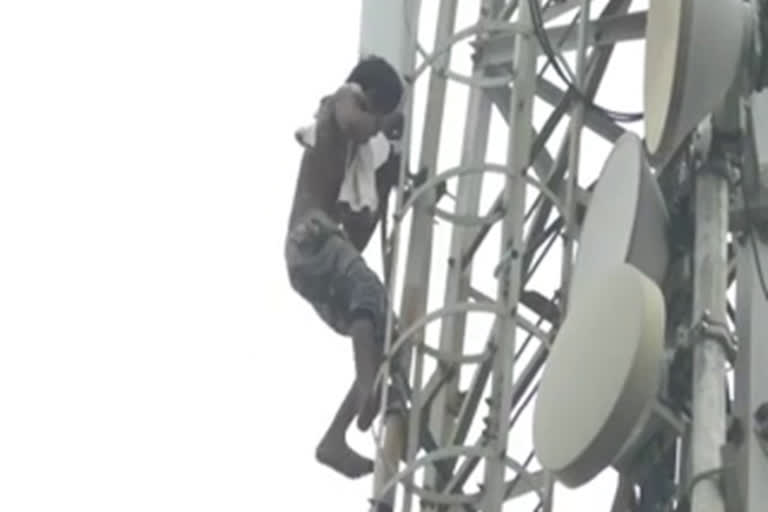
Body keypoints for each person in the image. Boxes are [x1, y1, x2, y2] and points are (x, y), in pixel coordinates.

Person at [284, 56, 404, 479]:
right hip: (309, 238)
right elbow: (352, 118)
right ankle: (368, 383)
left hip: (320, 255)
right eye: (380, 111)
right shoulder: (342, 104)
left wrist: (388, 178)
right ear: (369, 99)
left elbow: (357, 238)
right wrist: (381, 128)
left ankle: (335, 438)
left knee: (388, 335)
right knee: (368, 290)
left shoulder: (357, 167)